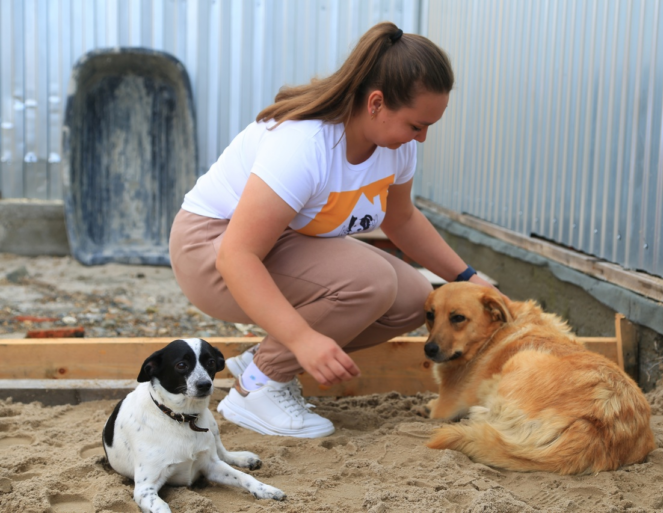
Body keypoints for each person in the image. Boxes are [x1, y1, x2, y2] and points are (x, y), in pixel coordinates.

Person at [168, 22, 495, 439]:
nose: (423, 137)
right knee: (371, 283)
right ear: (376, 103)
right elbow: (237, 255)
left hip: (274, 244)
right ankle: (258, 389)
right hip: (210, 250)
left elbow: (402, 220)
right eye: (416, 125)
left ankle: (263, 362)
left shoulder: (398, 147)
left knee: (416, 299)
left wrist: (469, 279)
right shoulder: (306, 145)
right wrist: (303, 340)